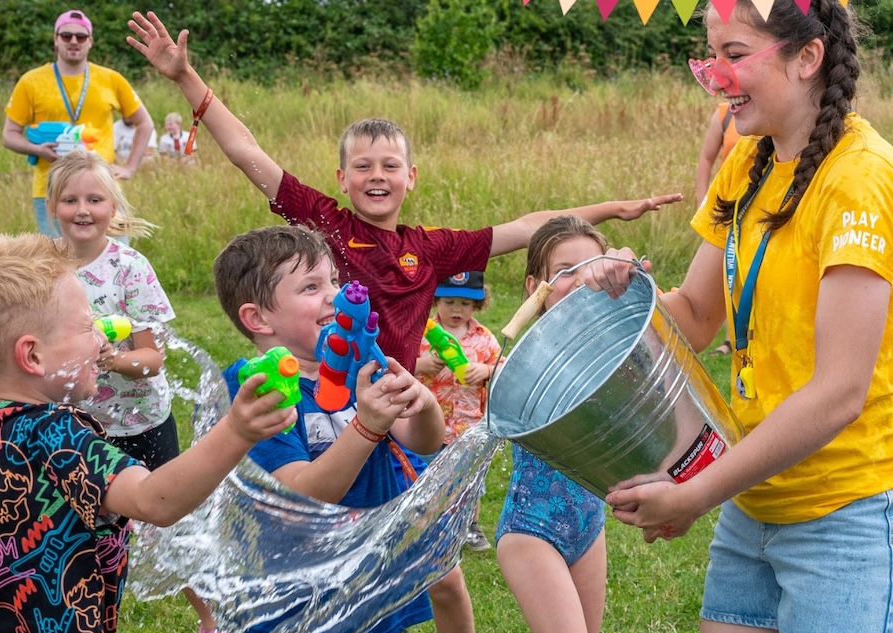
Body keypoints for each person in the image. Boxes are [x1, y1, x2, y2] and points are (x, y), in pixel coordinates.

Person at [124, 10, 683, 376]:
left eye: (390, 165)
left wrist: (613, 208)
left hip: (407, 401)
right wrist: (185, 78)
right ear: (342, 180)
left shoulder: (432, 247)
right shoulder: (326, 223)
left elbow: (527, 225)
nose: (377, 175)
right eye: (362, 166)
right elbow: (250, 155)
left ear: (410, 177)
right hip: (336, 398)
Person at [585, 2, 893, 633]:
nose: (717, 78)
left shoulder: (860, 180)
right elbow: (696, 317)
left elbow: (839, 393)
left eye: (735, 55)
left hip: (845, 516)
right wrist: (617, 295)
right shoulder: (746, 162)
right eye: (711, 57)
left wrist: (699, 492)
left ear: (806, 58)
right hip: (753, 501)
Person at [0, 232, 292, 633]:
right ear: (32, 355)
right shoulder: (56, 433)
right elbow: (155, 500)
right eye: (88, 326)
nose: (103, 338)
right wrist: (236, 431)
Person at [214, 225, 446, 633]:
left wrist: (424, 404)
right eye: (310, 286)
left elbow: (423, 442)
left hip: (372, 573)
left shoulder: (359, 364)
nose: (335, 295)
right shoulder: (257, 392)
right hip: (299, 597)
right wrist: (367, 426)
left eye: (335, 281)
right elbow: (301, 495)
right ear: (258, 318)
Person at [46, 148, 226, 633]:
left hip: (140, 421)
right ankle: (79, 621)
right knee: (74, 530)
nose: (82, 209)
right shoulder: (42, 267)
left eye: (95, 199)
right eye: (70, 200)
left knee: (167, 524)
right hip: (74, 426)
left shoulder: (129, 267)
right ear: (52, 206)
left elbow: (152, 360)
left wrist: (108, 359)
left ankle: (213, 620)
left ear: (114, 209)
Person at [495, 216, 610, 633]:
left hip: (588, 522)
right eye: (565, 272)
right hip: (532, 529)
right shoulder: (531, 359)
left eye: (593, 268)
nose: (581, 281)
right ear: (534, 288)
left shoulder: (612, 350)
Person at [3, 9, 155, 238]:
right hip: (52, 190)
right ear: (55, 39)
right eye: (66, 36)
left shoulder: (111, 79)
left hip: (102, 188)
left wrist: (130, 167)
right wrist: (37, 150)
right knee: (59, 264)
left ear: (90, 41)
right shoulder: (30, 81)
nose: (73, 41)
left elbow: (145, 123)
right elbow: (9, 134)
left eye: (81, 36)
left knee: (115, 260)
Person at [414, 270, 501, 551]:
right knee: (426, 475)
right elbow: (398, 363)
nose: (456, 309)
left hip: (468, 425)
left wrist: (486, 370)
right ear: (436, 300)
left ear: (477, 304)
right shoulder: (421, 333)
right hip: (427, 424)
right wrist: (420, 365)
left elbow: (504, 367)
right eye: (449, 302)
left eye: (465, 304)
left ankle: (469, 527)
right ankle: (426, 524)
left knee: (469, 478)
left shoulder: (484, 339)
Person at [695, 103, 741, 357]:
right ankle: (729, 338)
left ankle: (738, 337)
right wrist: (703, 202)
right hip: (727, 205)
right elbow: (706, 158)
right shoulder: (725, 113)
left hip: (763, 203)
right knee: (727, 270)